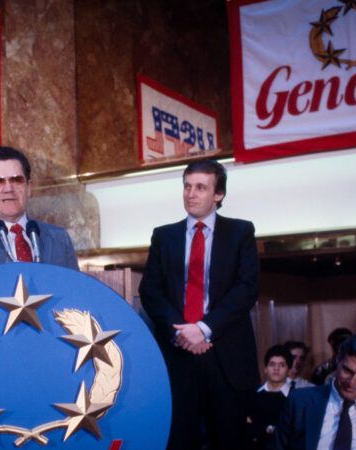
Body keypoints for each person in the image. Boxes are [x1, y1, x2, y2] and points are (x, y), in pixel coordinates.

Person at [139, 159, 260, 449]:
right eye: (187, 186)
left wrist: (204, 329)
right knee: (179, 440)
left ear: (218, 195)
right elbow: (151, 291)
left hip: (225, 356)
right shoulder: (163, 235)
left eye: (201, 187)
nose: (190, 194)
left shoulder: (241, 232)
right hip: (177, 355)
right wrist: (183, 332)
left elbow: (246, 289)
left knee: (230, 440)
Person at [248, 345, 294, 449]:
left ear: (289, 371)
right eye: (272, 364)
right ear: (265, 369)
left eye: (282, 365)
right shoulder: (253, 395)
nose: (276, 369)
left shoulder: (294, 397)